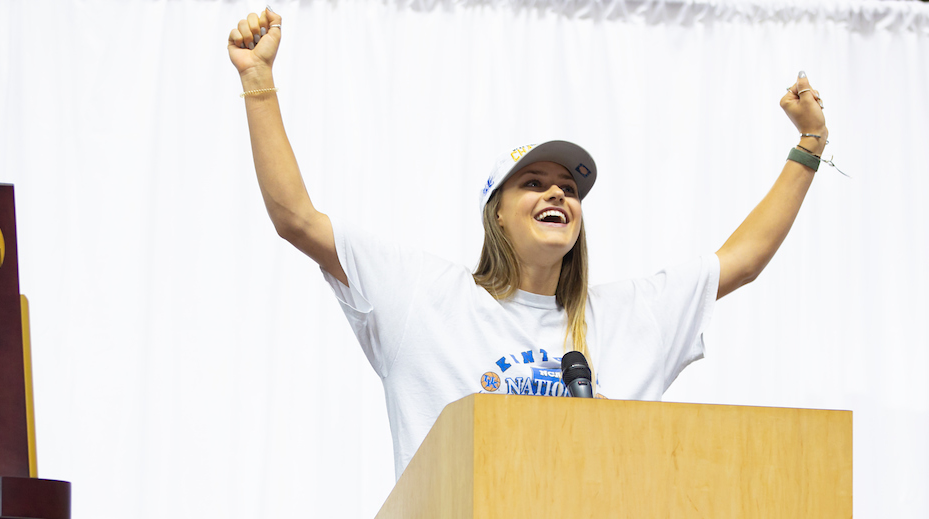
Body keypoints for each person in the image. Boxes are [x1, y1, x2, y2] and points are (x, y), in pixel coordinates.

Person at [227, 9, 829, 478]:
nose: (558, 195)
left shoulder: (631, 316)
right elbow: (297, 219)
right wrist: (258, 81)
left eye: (569, 188)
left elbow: (743, 261)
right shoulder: (423, 298)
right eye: (534, 184)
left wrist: (809, 146)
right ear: (497, 215)